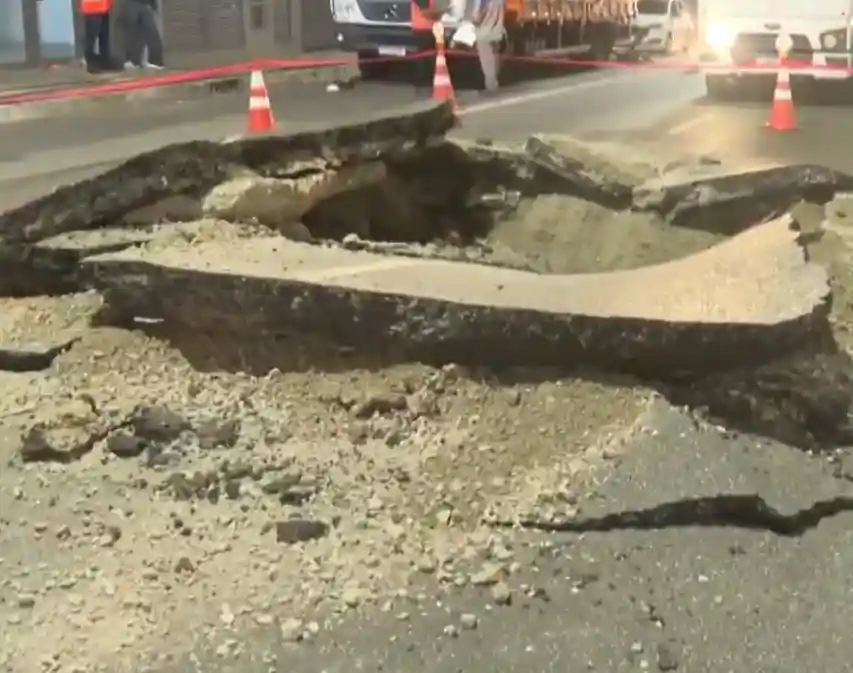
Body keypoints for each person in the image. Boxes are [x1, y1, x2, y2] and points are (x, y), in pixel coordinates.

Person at [472, 0, 505, 93]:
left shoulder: (483, 1)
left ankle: (491, 86)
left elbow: (477, 17)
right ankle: (495, 82)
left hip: (484, 34)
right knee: (495, 58)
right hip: (497, 32)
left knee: (487, 61)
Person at [121, 0, 165, 69]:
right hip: (133, 4)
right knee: (133, 32)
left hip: (144, 4)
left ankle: (154, 61)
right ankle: (133, 60)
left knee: (149, 30)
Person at [81, 0, 115, 73]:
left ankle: (104, 62)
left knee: (104, 36)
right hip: (92, 8)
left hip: (104, 7)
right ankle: (91, 64)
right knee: (91, 38)